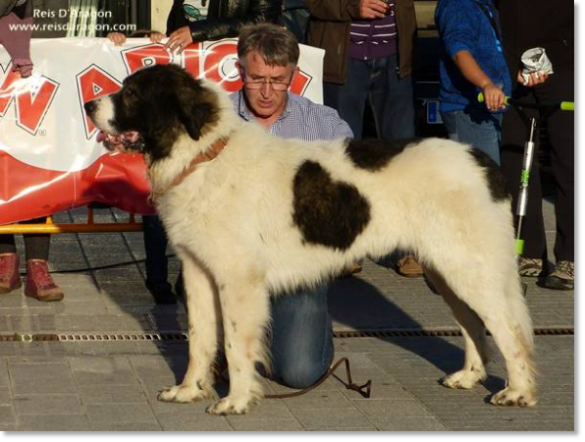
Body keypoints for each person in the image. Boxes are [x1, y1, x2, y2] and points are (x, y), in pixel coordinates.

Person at [107, 0, 283, 304]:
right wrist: (151, 40)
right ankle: (158, 275)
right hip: (184, 100)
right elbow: (177, 29)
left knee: (205, 198)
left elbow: (263, 20)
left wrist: (198, 32)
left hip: (223, 103)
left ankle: (189, 278)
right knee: (167, 184)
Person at [231, 23, 352, 388]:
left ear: (294, 76)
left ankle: (309, 331)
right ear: (240, 70)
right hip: (232, 265)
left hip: (296, 263)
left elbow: (349, 190)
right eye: (256, 79)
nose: (267, 92)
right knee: (227, 368)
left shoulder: (323, 124)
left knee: (298, 374)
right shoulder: (213, 118)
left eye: (278, 80)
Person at [305, 0, 422, 278]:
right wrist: (350, 7)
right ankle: (346, 247)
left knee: (400, 161)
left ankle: (402, 246)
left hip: (396, 57)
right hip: (343, 59)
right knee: (343, 158)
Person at [497, 0, 574, 290]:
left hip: (565, 63)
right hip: (514, 62)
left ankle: (571, 257)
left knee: (568, 162)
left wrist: (555, 53)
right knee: (517, 158)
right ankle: (530, 252)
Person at [0, 0, 64, 302]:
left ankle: (37, 265)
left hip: (40, 78)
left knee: (37, 167)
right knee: (2, 167)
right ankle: (6, 259)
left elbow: (56, 28)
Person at [435, 0, 511, 165]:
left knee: (493, 180)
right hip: (467, 111)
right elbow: (459, 52)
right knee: (482, 183)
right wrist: (486, 84)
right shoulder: (457, 5)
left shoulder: (486, 5)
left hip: (490, 110)